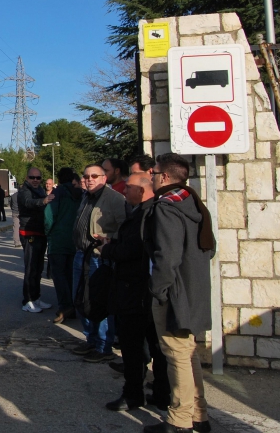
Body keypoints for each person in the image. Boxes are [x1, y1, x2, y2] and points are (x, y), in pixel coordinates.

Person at [144, 154, 214, 433]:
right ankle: (198, 414)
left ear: (164, 177)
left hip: (174, 293)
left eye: (154, 171)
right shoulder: (191, 201)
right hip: (193, 288)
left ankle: (179, 420)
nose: (151, 175)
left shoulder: (166, 207)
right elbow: (210, 247)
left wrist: (158, 289)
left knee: (176, 355)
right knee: (187, 353)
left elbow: (167, 256)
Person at [100, 172, 170, 413]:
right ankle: (161, 393)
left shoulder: (147, 214)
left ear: (141, 190)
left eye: (128, 187)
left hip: (137, 291)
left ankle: (134, 395)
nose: (124, 191)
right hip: (142, 290)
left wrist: (108, 250)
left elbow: (133, 249)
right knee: (153, 346)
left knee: (134, 347)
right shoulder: (145, 212)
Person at [72, 163, 131, 363]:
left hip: (100, 257)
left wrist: (107, 239)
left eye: (94, 176)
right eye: (86, 176)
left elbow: (126, 228)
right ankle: (91, 339)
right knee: (81, 298)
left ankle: (103, 346)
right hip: (82, 254)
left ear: (104, 178)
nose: (89, 179)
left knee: (100, 302)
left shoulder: (114, 199)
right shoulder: (86, 197)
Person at [43, 167, 80, 324]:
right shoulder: (82, 194)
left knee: (59, 276)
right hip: (75, 242)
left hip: (58, 241)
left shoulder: (58, 193)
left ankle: (65, 307)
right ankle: (73, 306)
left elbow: (48, 217)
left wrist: (48, 233)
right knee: (72, 275)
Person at [16, 167, 54, 313]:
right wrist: (43, 201)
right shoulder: (24, 191)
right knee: (31, 268)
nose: (35, 180)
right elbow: (28, 202)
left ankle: (36, 297)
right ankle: (28, 301)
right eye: (32, 177)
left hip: (40, 232)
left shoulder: (40, 190)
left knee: (38, 268)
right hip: (29, 232)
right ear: (27, 178)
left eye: (38, 178)